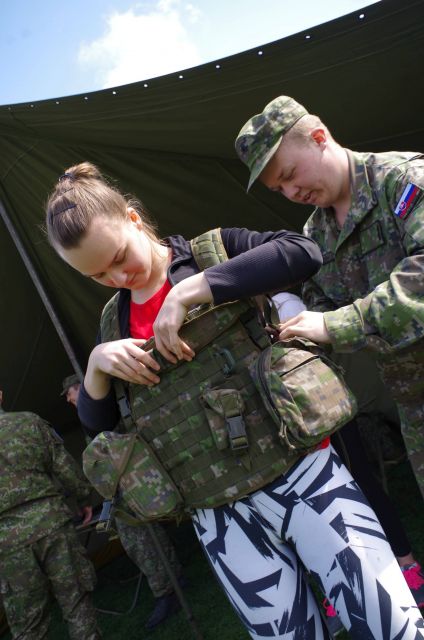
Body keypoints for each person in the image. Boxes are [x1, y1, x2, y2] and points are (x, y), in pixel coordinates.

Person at [44, 162, 423, 640]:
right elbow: (101, 429)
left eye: (119, 256)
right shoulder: (112, 324)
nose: (117, 276)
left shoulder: (211, 252)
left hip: (303, 474)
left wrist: (193, 290)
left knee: (391, 625)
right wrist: (97, 367)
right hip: (221, 516)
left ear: (134, 219)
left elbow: (301, 251)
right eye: (97, 274)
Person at [235, 96, 424, 507]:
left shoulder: (401, 180)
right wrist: (291, 318)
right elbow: (319, 306)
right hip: (413, 405)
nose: (291, 191)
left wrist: (333, 325)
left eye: (290, 174)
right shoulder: (316, 234)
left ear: (320, 137)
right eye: (279, 188)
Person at [271, 293, 424, 635]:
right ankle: (337, 592)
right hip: (284, 429)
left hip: (323, 409)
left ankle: (407, 565)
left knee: (364, 484)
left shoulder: (282, 301)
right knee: (309, 511)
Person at [61, 374, 185, 630]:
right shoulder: (91, 412)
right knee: (142, 538)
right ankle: (171, 582)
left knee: (138, 539)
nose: (69, 401)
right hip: (123, 486)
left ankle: (167, 590)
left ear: (78, 389)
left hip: (130, 483)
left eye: (69, 395)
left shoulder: (99, 407)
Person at [0, 389, 101, 640]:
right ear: (0, 396)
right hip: (53, 523)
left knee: (29, 625)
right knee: (76, 602)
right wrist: (84, 498)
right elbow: (64, 467)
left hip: (7, 544)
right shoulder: (30, 422)